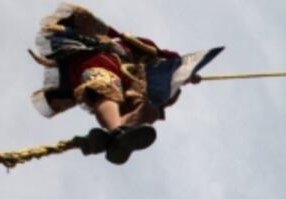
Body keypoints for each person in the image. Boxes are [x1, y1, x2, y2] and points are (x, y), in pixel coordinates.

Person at [29, 4, 222, 164]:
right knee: (104, 85)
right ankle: (116, 131)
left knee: (146, 109)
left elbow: (162, 70)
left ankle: (119, 135)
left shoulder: (139, 64)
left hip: (125, 78)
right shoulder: (107, 43)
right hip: (96, 62)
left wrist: (185, 77)